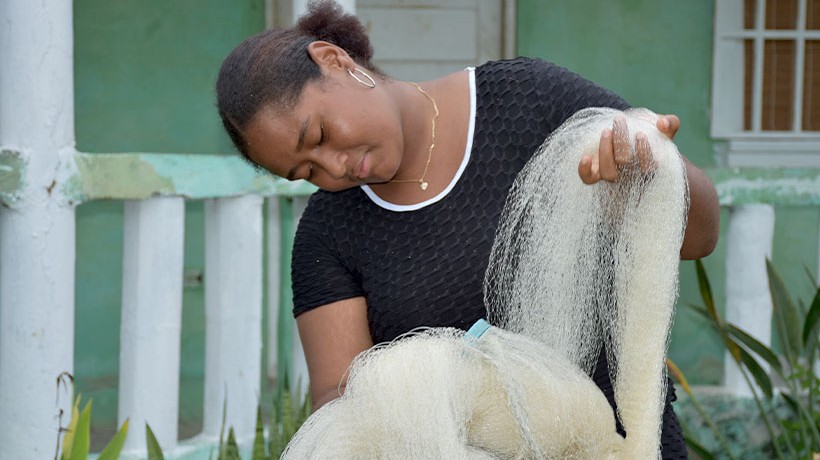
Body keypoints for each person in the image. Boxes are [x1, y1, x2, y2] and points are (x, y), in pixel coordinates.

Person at [216, 1, 720, 457]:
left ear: (335, 61)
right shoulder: (327, 234)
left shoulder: (529, 100)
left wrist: (646, 176)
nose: (334, 167)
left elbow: (701, 238)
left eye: (321, 135)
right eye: (306, 173)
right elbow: (337, 405)